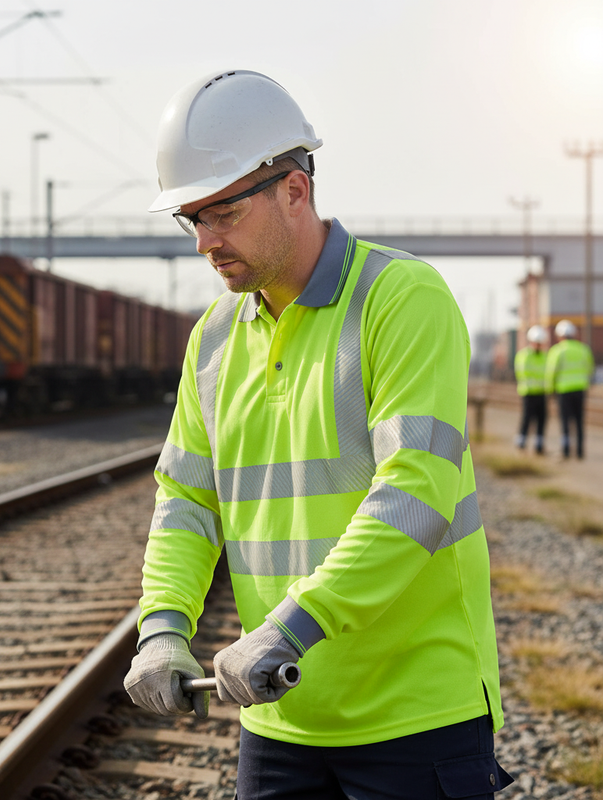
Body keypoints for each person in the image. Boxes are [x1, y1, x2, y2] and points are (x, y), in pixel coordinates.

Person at [124, 69, 512, 800]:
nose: (205, 240)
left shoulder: (400, 300)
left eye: (223, 213)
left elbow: (415, 495)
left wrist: (293, 626)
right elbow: (185, 501)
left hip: (416, 718)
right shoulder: (212, 339)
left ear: (294, 190)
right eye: (192, 219)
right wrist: (163, 626)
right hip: (280, 724)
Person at [545, 319, 595, 459]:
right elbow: (590, 369)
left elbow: (551, 372)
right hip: (580, 389)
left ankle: (566, 450)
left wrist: (550, 390)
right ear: (574, 334)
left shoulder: (557, 351)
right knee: (579, 421)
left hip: (563, 390)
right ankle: (580, 451)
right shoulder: (584, 349)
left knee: (565, 421)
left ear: (559, 335)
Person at [514, 325, 548, 454]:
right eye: (537, 343)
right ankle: (521, 443)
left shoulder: (545, 356)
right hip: (528, 393)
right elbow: (522, 373)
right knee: (527, 419)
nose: (539, 346)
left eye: (541, 344)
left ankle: (539, 445)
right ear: (531, 342)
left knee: (542, 419)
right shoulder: (524, 355)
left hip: (542, 392)